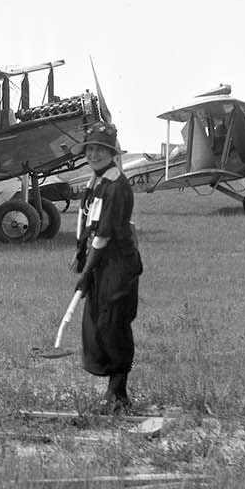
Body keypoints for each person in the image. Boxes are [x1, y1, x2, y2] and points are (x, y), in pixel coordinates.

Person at [73, 122, 143, 412]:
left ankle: (119, 393)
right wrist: (81, 256)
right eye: (90, 149)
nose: (94, 154)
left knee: (112, 322)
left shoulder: (115, 185)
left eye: (101, 150)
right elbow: (89, 225)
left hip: (117, 263)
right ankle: (113, 392)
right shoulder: (96, 182)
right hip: (101, 260)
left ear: (112, 154)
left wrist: (87, 272)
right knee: (95, 323)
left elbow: (105, 234)